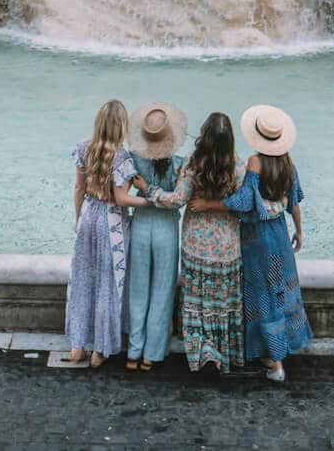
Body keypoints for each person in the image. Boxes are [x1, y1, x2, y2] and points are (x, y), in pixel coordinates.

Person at [189, 104, 311, 384]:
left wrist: (208, 203)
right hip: (280, 234)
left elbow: (245, 203)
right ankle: (280, 350)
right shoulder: (288, 163)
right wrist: (300, 232)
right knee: (281, 291)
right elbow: (295, 201)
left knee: (263, 297)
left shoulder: (255, 162)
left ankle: (275, 362)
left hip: (258, 239)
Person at [148, 112, 246, 374]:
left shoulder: (194, 164)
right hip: (226, 247)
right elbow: (244, 205)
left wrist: (149, 191)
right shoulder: (238, 166)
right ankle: (222, 351)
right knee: (221, 302)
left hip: (195, 245)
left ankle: (201, 350)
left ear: (204, 135)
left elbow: (178, 200)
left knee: (198, 301)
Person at [66, 100, 150, 368]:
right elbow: (121, 199)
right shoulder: (122, 157)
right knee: (108, 285)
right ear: (121, 126)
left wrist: (79, 219)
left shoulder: (83, 148)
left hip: (89, 215)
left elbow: (79, 188)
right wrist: (150, 201)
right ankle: (100, 350)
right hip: (112, 222)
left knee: (82, 280)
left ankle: (77, 346)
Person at [124, 103, 187, 371]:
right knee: (162, 291)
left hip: (140, 224)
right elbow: (178, 202)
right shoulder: (180, 165)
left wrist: (144, 190)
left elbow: (123, 195)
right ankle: (151, 354)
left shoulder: (132, 160)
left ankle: (133, 352)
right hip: (166, 229)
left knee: (138, 289)